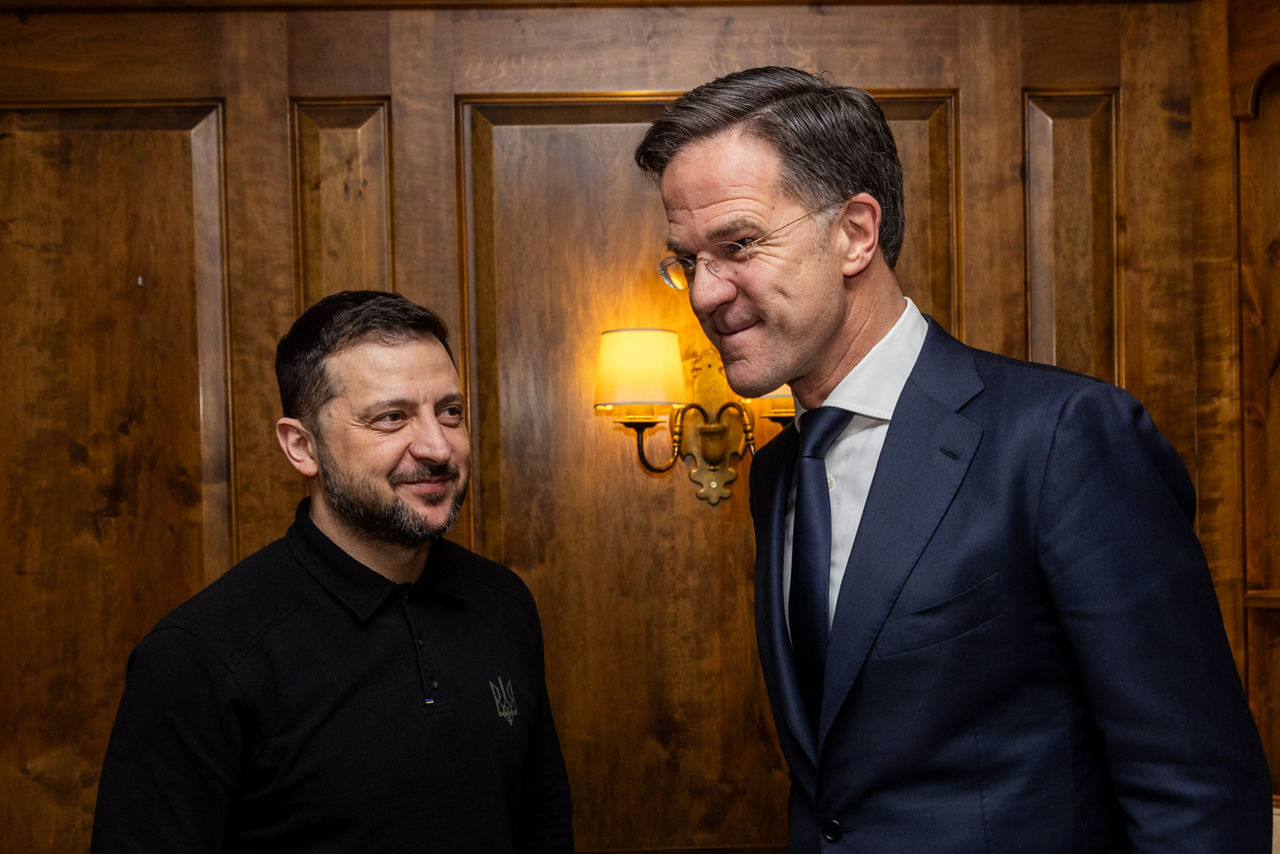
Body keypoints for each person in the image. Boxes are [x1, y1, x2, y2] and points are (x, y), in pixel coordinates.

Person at [635, 66, 1272, 852]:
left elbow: (1196, 789)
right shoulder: (777, 472)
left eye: (737, 245)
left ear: (856, 233)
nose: (702, 294)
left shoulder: (1062, 437)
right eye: (686, 260)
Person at [91, 290, 573, 853]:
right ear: (302, 446)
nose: (439, 447)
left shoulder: (504, 604)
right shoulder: (199, 657)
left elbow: (544, 826)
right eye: (391, 418)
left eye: (450, 412)